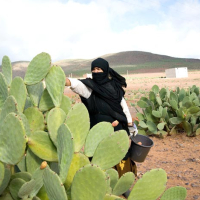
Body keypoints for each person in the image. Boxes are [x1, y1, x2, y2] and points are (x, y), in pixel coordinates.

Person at [65, 58, 137, 180]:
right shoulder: (90, 88)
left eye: (99, 69)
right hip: (97, 129)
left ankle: (122, 181)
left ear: (105, 70)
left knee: (120, 152)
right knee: (96, 154)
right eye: (93, 69)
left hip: (116, 126)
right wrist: (65, 81)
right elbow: (77, 85)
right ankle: (97, 180)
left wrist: (129, 123)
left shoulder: (115, 87)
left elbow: (123, 106)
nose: (96, 72)